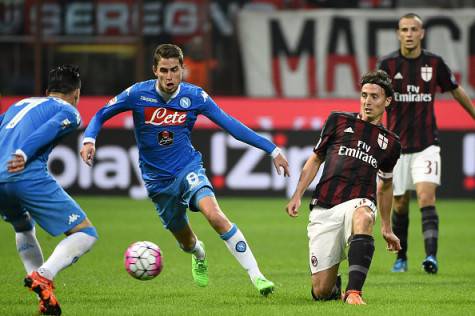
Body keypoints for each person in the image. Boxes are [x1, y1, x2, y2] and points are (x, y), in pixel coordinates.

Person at [80, 44, 290, 296]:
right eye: (165, 71)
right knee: (186, 242)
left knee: (214, 215)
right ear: (155, 71)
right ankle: (199, 253)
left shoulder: (195, 97)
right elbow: (102, 113)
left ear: (183, 69)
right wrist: (89, 139)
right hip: (157, 182)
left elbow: (232, 126)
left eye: (175, 70)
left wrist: (272, 150)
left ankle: (258, 277)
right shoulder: (138, 94)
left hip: (187, 168)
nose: (170, 77)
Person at [286, 70, 401, 305]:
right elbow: (315, 159)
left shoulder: (390, 143)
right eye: (364, 95)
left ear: (387, 101)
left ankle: (354, 292)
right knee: (320, 291)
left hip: (359, 201)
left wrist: (387, 227)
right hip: (325, 207)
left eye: (374, 97)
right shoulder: (338, 120)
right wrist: (297, 193)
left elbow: (386, 185)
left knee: (364, 216)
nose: (367, 102)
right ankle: (334, 287)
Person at [377, 13, 475, 274]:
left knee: (425, 196)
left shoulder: (434, 63)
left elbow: (455, 89)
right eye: (404, 29)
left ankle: (431, 257)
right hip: (395, 148)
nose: (409, 34)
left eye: (414, 29)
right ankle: (402, 257)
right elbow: (373, 98)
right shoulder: (386, 66)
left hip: (426, 144)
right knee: (399, 203)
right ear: (398, 33)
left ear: (422, 33)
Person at [0, 65, 98, 316]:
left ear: (46, 91)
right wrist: (24, 152)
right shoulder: (69, 111)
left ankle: (43, 294)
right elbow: (51, 128)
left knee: (22, 225)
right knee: (85, 233)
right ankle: (43, 275)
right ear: (77, 93)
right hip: (24, 173)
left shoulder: (18, 105)